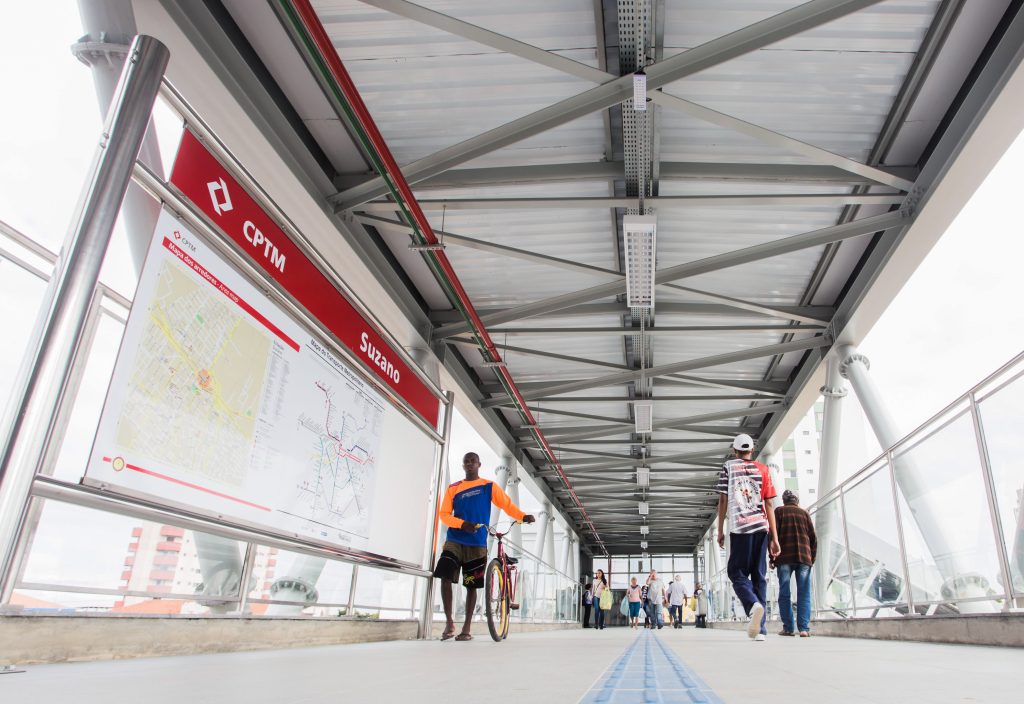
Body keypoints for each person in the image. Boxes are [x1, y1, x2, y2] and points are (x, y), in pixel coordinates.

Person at [434, 452, 535, 641]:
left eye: (473, 461)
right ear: (463, 466)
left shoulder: (488, 486)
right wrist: (462, 524)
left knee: (472, 585)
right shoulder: (453, 488)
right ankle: (449, 622)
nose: (469, 464)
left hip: (477, 543)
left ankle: (466, 628)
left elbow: (506, 504)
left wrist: (522, 516)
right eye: (466, 462)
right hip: (454, 539)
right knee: (445, 575)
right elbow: (444, 514)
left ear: (479, 464)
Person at [715, 433, 780, 642]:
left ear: (735, 451)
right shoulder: (764, 469)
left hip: (740, 528)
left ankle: (753, 606)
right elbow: (769, 504)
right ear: (752, 450)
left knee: (736, 572)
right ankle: (760, 630)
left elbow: (723, 499)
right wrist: (774, 537)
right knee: (758, 576)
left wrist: (720, 530)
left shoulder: (729, 467)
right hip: (761, 528)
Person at [773, 489, 817, 638]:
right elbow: (813, 538)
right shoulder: (804, 514)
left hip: (784, 557)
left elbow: (773, 536)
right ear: (797, 500)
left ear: (784, 500)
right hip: (804, 557)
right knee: (804, 593)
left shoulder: (779, 512)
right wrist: (812, 559)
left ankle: (788, 628)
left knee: (784, 593)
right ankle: (804, 629)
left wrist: (772, 558)